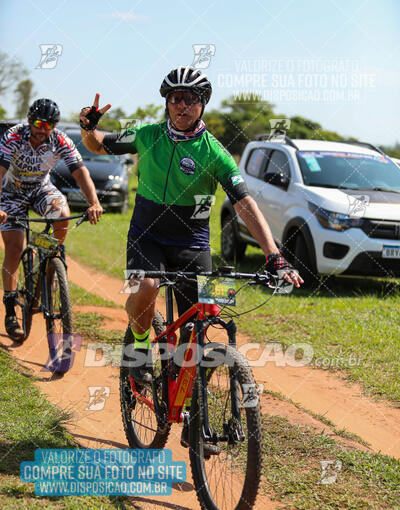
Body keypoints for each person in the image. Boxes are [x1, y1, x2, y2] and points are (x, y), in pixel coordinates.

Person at [79, 66, 303, 384]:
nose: (182, 105)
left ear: (203, 104)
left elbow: (244, 202)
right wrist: (88, 127)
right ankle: (140, 348)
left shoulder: (215, 153)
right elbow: (99, 144)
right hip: (147, 234)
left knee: (206, 315)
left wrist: (273, 254)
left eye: (190, 99)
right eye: (175, 98)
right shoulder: (146, 135)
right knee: (146, 287)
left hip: (193, 241)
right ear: (167, 102)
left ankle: (193, 405)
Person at [0, 98, 103, 341]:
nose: (42, 129)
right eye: (38, 123)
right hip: (10, 193)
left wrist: (94, 202)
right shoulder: (13, 137)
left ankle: (50, 260)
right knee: (15, 248)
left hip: (40, 190)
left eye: (49, 125)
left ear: (55, 126)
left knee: (63, 215)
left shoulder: (60, 140)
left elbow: (80, 171)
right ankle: (10, 308)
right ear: (28, 121)